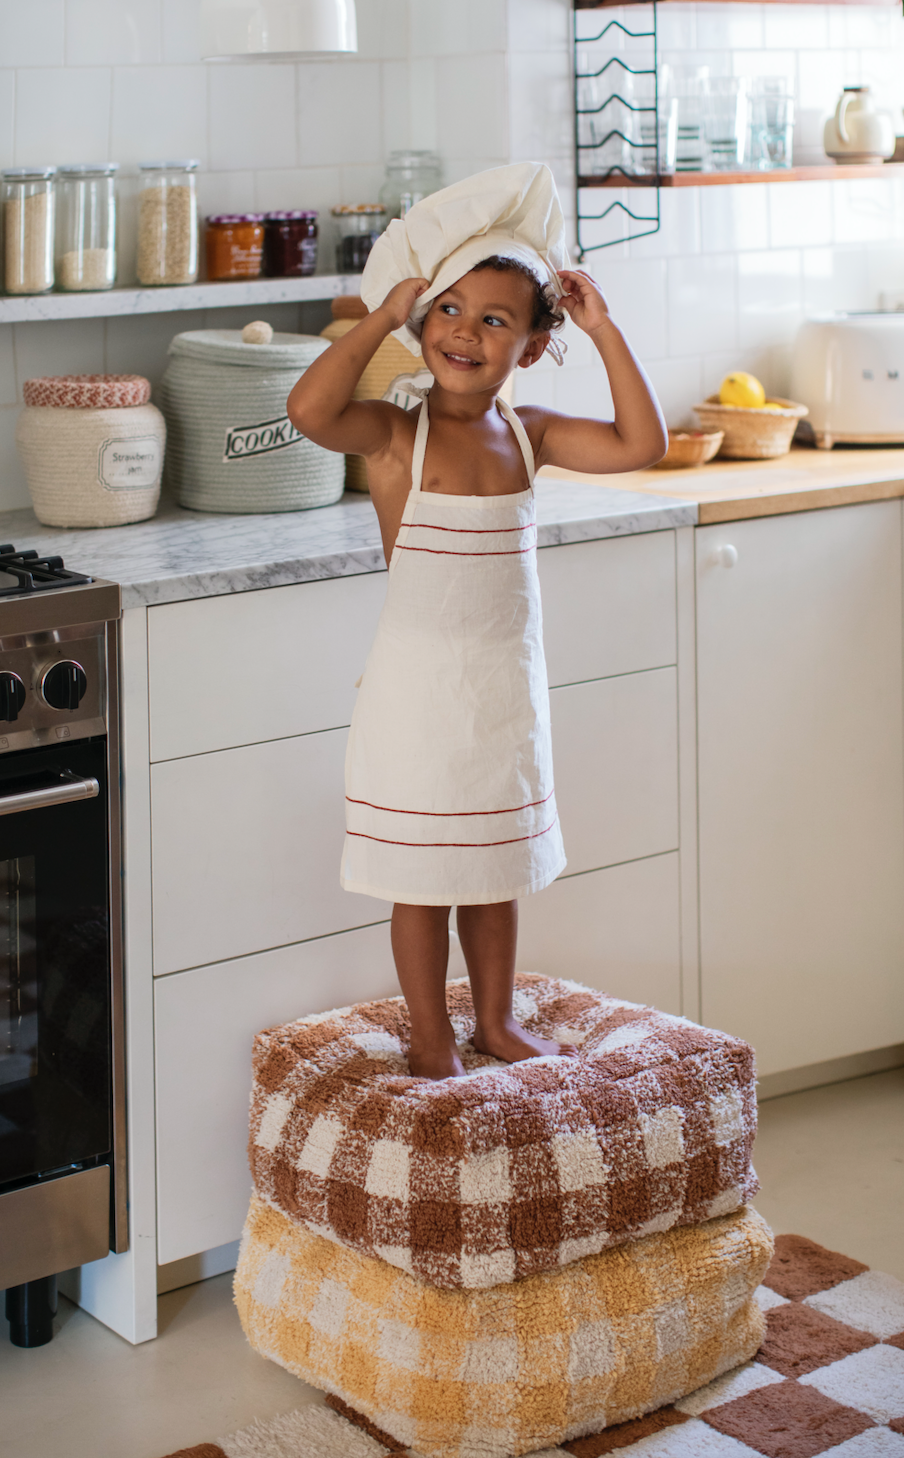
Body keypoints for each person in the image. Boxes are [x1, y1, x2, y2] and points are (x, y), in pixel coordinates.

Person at [288, 164, 667, 1080]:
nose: (465, 331)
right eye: (449, 310)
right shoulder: (393, 434)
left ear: (531, 348)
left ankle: (493, 1021)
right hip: (418, 704)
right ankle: (429, 1032)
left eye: (495, 320)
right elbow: (308, 410)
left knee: (493, 876)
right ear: (423, 324)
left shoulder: (530, 436)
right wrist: (380, 316)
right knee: (421, 882)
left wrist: (604, 328)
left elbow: (639, 443)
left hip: (502, 699)